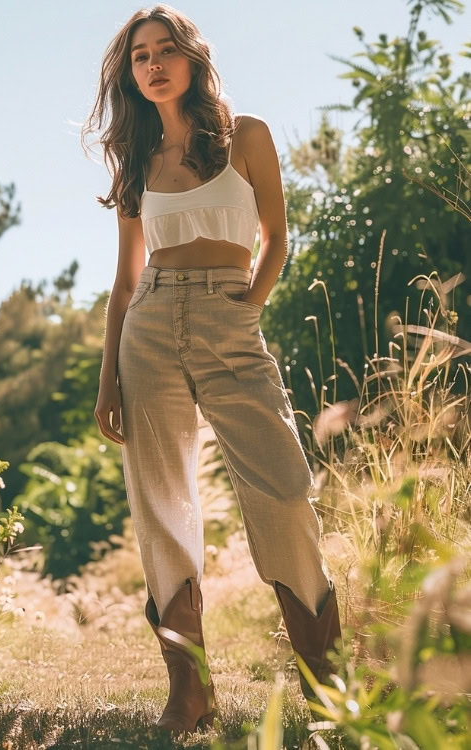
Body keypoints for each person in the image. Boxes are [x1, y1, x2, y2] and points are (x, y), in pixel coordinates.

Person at [83, 3, 342, 736]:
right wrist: (110, 378)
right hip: (151, 326)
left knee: (286, 490)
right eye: (140, 56)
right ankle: (190, 692)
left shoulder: (246, 135)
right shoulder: (135, 160)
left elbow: (278, 239)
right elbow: (126, 277)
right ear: (130, 74)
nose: (153, 63)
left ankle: (328, 690)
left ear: (192, 57)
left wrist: (246, 310)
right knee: (162, 507)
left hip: (231, 319)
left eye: (166, 49)